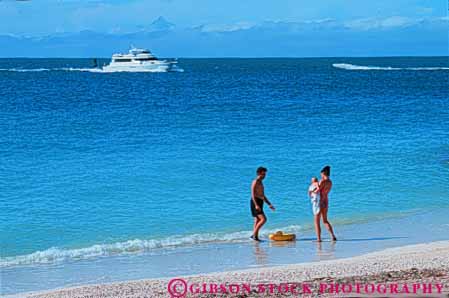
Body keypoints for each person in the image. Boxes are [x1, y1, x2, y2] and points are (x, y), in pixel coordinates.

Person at [250, 167, 275, 241]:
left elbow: (263, 195)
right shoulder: (255, 181)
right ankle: (254, 235)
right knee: (263, 219)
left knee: (257, 220)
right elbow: (253, 194)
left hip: (260, 201)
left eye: (265, 174)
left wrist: (269, 204)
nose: (264, 176)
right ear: (259, 173)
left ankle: (255, 236)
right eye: (263, 174)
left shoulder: (261, 182)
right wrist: (256, 205)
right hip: (255, 201)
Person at [314, 165, 337, 242]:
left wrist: (315, 184)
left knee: (317, 221)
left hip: (320, 202)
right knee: (325, 220)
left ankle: (319, 239)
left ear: (323, 173)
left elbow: (317, 191)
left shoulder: (322, 181)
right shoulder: (330, 182)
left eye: (321, 174)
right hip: (326, 201)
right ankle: (333, 236)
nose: (320, 175)